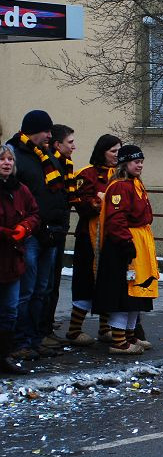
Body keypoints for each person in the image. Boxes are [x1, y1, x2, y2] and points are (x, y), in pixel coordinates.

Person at [7, 110, 69, 361]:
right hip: (31, 234)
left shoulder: (44, 156)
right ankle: (20, 341)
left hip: (50, 233)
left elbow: (58, 192)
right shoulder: (15, 154)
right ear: (33, 130)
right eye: (46, 131)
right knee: (27, 290)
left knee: (43, 289)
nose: (49, 135)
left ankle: (35, 338)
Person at [92, 145, 159, 354]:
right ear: (125, 163)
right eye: (135, 161)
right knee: (125, 292)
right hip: (125, 244)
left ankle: (130, 336)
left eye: (141, 161)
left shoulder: (135, 184)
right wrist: (126, 243)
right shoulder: (120, 186)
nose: (140, 165)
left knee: (137, 292)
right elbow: (116, 217)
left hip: (139, 241)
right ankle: (119, 341)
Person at [65, 135, 121, 345]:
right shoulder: (85, 174)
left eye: (119, 151)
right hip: (89, 238)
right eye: (113, 151)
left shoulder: (121, 175)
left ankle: (105, 328)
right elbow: (81, 204)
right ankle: (74, 329)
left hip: (112, 237)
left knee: (109, 280)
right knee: (85, 281)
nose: (117, 155)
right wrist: (101, 202)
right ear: (102, 151)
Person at [0, 144, 39, 374]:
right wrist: (6, 233)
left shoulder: (20, 189)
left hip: (13, 259)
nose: (6, 163)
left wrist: (25, 227)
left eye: (10, 160)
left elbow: (34, 213)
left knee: (10, 310)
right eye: (2, 159)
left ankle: (3, 355)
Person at [42, 124, 77, 350]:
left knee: (53, 282)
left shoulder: (67, 165)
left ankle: (47, 325)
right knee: (44, 283)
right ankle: (41, 328)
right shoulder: (48, 164)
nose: (74, 146)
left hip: (60, 227)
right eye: (70, 142)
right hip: (49, 229)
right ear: (57, 144)